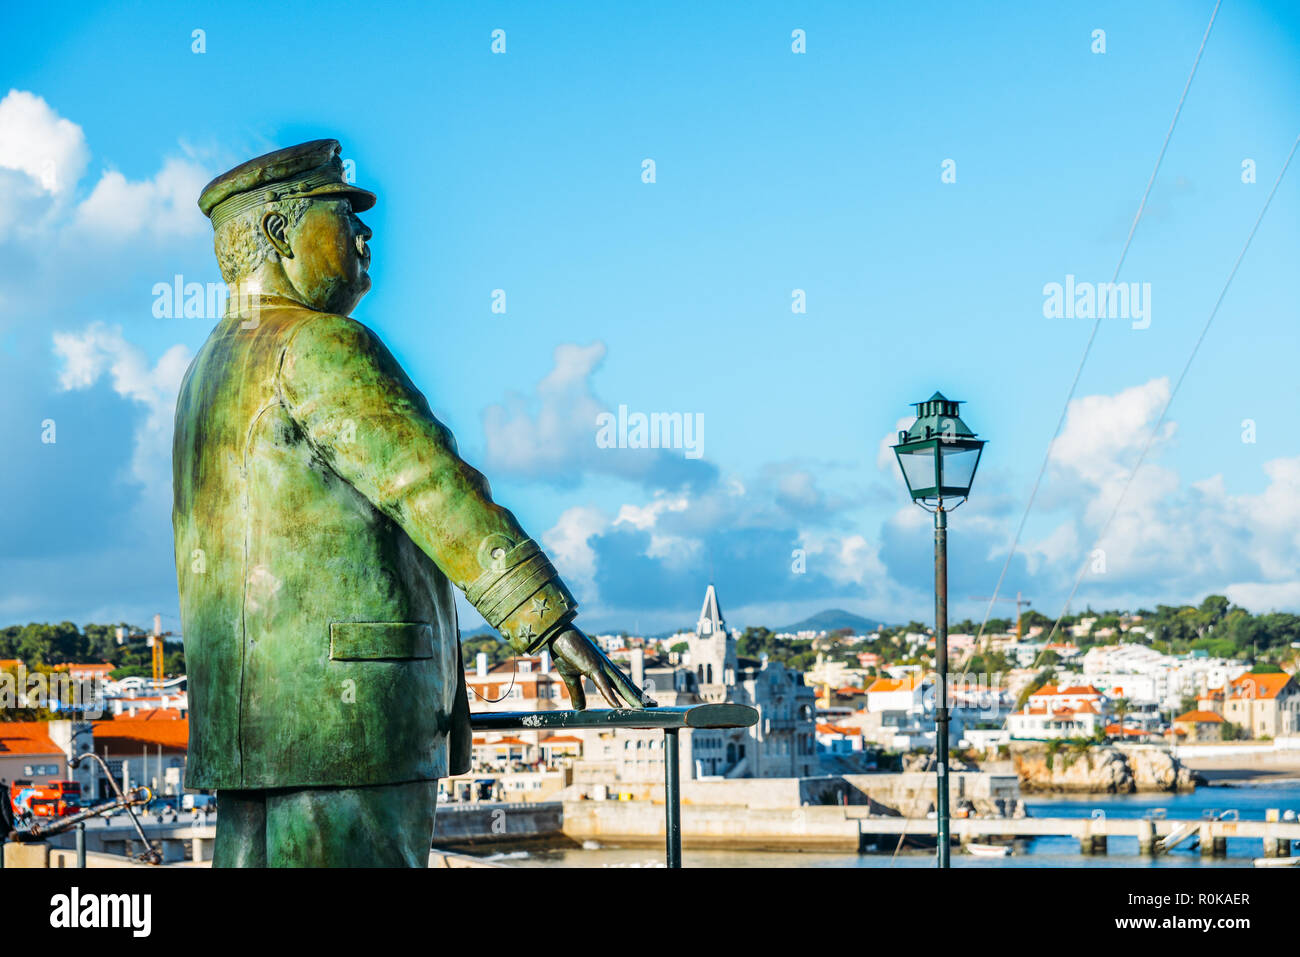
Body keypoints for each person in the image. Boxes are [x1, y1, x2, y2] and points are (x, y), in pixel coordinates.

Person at [174, 139, 653, 867]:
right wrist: (546, 618)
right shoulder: (320, 345)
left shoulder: (204, 371)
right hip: (349, 727)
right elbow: (429, 485)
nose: (366, 234)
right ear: (278, 233)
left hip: (250, 733)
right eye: (343, 214)